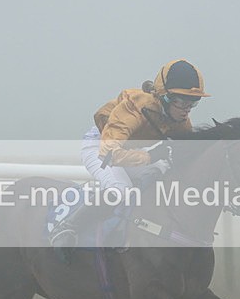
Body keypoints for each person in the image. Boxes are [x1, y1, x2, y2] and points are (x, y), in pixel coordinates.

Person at [49, 59, 210, 249]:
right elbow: (110, 154)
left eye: (193, 103)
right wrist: (151, 156)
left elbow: (187, 150)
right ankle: (67, 228)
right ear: (165, 97)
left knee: (162, 174)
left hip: (130, 150)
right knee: (120, 190)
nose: (187, 110)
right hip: (101, 147)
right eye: (182, 102)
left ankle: (128, 227)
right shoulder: (134, 107)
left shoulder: (180, 118)